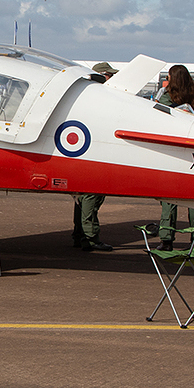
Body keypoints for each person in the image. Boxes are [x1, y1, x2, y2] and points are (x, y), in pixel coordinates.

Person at [155, 65, 194, 251]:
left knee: (170, 200)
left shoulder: (165, 96)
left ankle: (166, 240)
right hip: (193, 154)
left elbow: (155, 119)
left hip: (171, 152)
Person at [70, 61, 120, 252]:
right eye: (110, 75)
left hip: (80, 153)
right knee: (92, 196)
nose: (112, 79)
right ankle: (90, 237)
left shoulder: (83, 95)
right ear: (102, 76)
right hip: (94, 154)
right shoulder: (100, 97)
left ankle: (79, 234)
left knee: (82, 198)